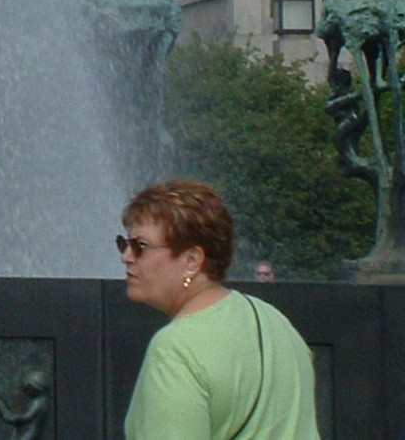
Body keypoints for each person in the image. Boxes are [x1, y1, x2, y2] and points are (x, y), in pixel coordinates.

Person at [120, 178, 319, 440]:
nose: (126, 256)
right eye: (123, 244)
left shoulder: (175, 350)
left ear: (192, 260)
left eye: (139, 246)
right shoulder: (275, 321)